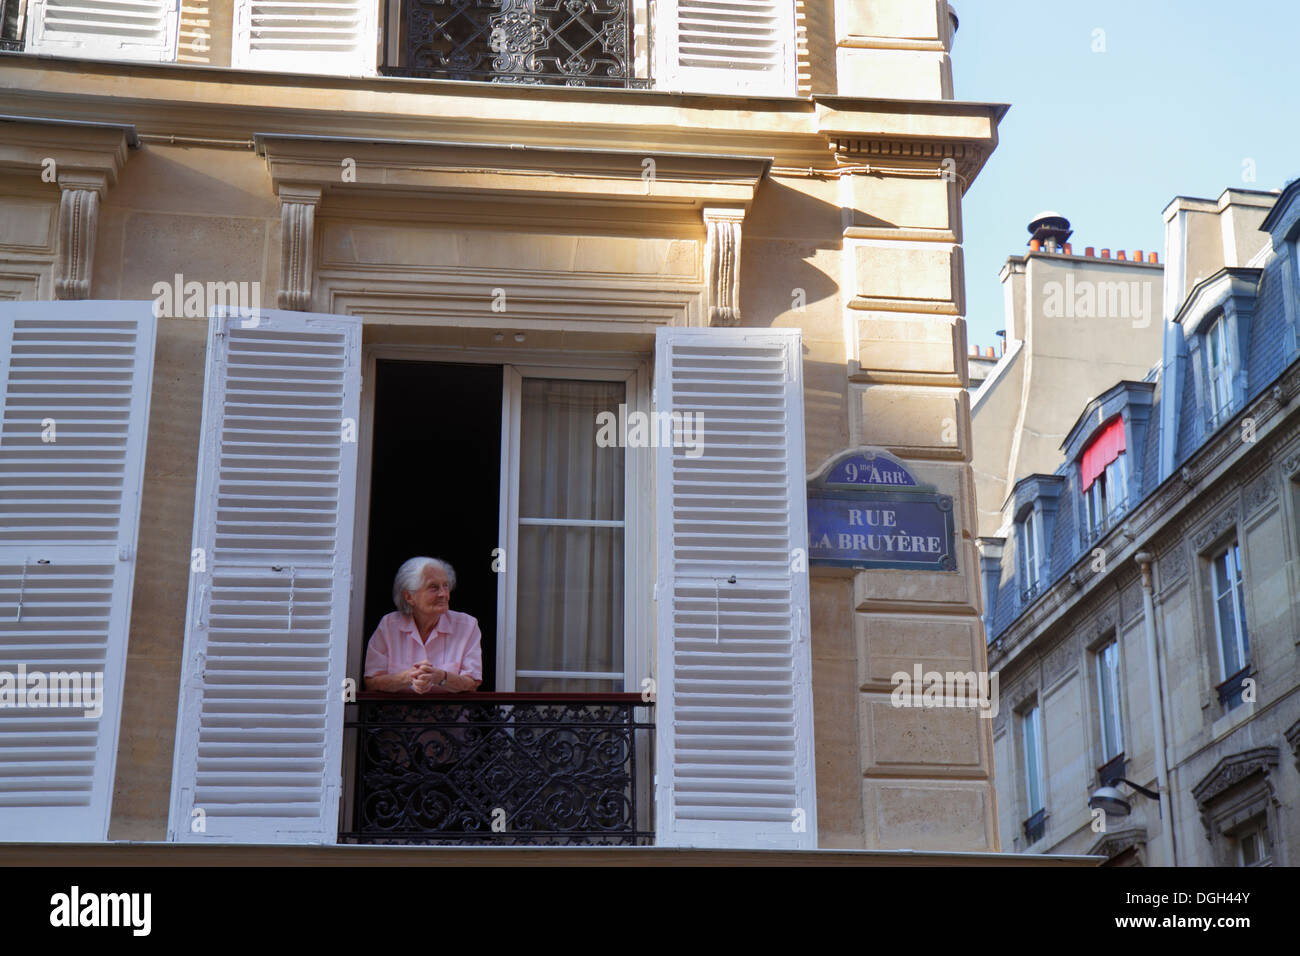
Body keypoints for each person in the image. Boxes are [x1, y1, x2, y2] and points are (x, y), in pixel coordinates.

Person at [364, 556, 483, 693]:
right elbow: (371, 683)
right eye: (433, 587)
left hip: (450, 714)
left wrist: (440, 677)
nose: (443, 594)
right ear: (409, 597)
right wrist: (409, 678)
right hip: (397, 714)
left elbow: (472, 683)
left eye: (445, 586)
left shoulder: (467, 626)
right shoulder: (389, 626)